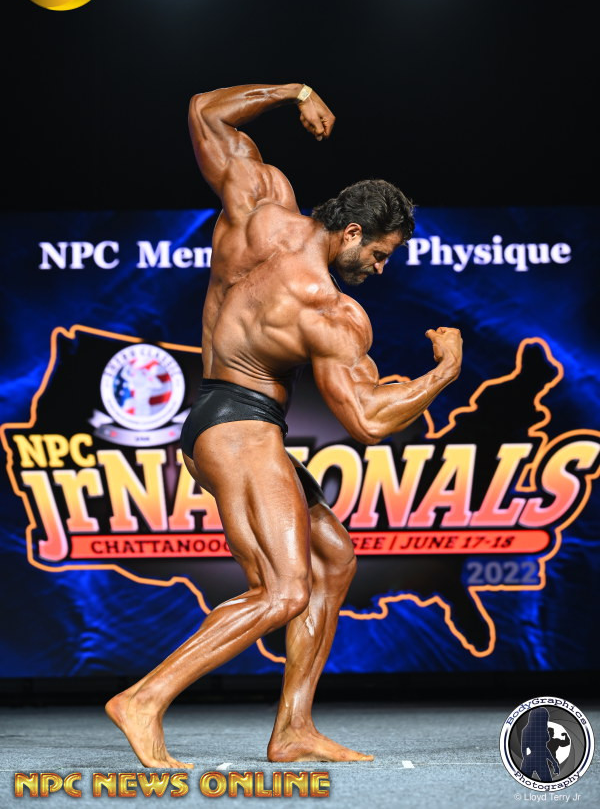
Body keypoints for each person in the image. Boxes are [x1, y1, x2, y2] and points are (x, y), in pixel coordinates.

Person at [106, 83, 463, 768]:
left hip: (223, 415)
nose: (380, 269)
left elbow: (204, 111)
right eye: (380, 254)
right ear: (352, 232)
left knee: (333, 559)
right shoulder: (329, 312)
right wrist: (444, 372)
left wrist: (295, 91)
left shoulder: (260, 203)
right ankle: (144, 700)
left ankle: (293, 728)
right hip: (239, 428)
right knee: (282, 589)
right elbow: (367, 420)